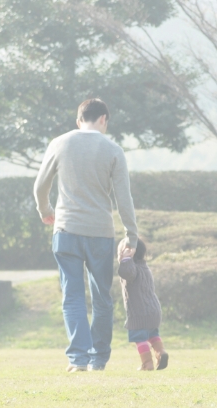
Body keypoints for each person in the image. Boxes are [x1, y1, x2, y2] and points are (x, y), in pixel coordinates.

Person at [33, 98, 138, 372]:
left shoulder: (60, 143)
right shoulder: (113, 149)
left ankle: (77, 359)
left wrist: (45, 210)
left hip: (66, 230)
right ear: (104, 119)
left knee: (73, 295)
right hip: (100, 234)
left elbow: (40, 186)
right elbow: (123, 199)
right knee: (102, 297)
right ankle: (98, 359)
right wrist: (132, 235)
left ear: (79, 120)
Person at [117, 237, 169, 371]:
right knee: (152, 335)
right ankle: (161, 352)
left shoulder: (131, 268)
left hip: (139, 313)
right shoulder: (144, 267)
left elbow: (125, 272)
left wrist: (126, 259)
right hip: (153, 310)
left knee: (139, 338)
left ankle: (147, 363)